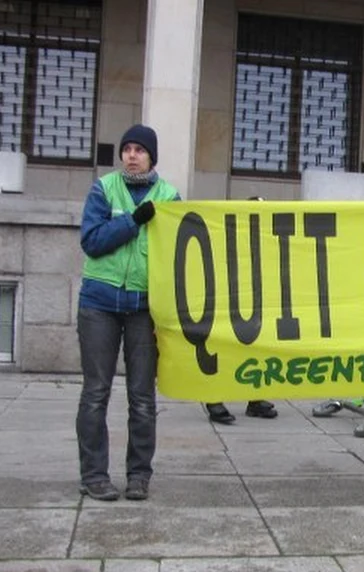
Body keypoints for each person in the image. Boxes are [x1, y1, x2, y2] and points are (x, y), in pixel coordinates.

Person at [75, 124, 180, 501]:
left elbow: (178, 255)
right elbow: (92, 241)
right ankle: (94, 476)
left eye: (139, 150)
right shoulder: (103, 189)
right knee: (95, 393)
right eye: (127, 149)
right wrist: (134, 220)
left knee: (142, 397)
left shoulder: (169, 197)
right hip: (99, 305)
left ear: (152, 156)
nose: (132, 155)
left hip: (143, 309)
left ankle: (139, 476)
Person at [205, 196, 278, 425]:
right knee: (223, 350)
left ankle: (255, 399)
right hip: (229, 303)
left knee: (259, 350)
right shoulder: (226, 237)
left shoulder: (269, 240)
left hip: (259, 304)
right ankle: (214, 398)